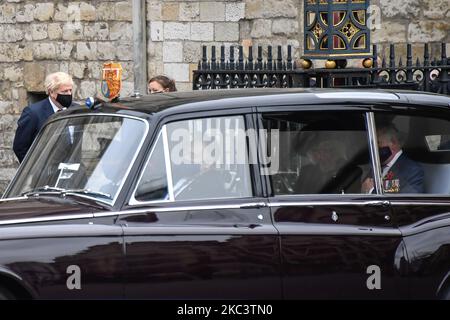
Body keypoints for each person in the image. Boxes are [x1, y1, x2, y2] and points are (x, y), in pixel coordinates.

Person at [13, 72, 75, 163]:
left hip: (75, 171)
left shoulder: (76, 110)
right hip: (45, 174)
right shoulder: (33, 113)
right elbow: (20, 147)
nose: (69, 94)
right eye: (64, 91)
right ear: (51, 92)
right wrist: (34, 170)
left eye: (70, 90)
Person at [362, 123, 424, 194]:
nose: (374, 148)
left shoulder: (411, 170)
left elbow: (410, 201)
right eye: (373, 144)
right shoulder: (376, 166)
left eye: (378, 143)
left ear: (393, 142)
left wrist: (372, 191)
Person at [294, 136, 363, 194]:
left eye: (327, 150)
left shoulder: (351, 171)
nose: (322, 153)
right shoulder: (306, 171)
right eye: (320, 150)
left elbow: (352, 199)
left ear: (337, 152)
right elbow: (297, 195)